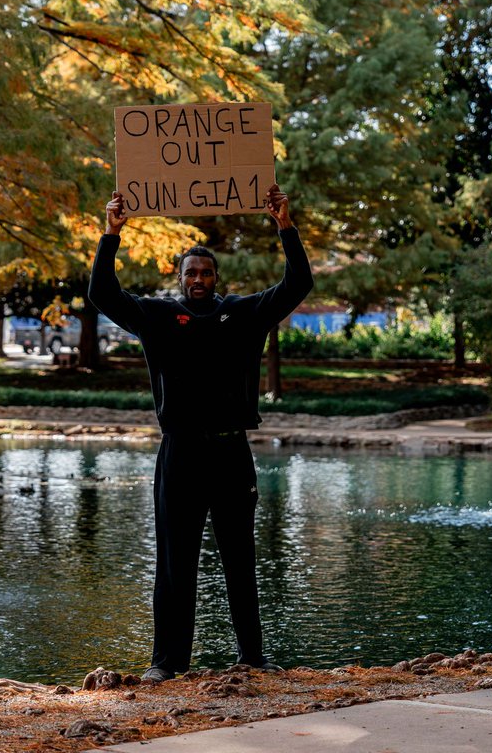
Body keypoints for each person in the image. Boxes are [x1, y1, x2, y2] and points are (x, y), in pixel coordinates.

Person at [88, 183, 314, 684]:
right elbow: (101, 293)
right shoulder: (158, 317)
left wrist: (285, 225)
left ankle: (252, 657)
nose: (199, 278)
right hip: (181, 456)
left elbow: (298, 283)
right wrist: (112, 234)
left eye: (206, 272)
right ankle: (166, 663)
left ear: (216, 278)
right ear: (180, 278)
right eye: (191, 272)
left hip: (232, 453)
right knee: (174, 564)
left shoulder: (245, 314)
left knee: (240, 558)